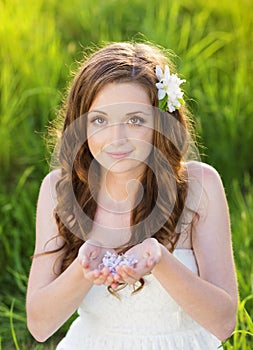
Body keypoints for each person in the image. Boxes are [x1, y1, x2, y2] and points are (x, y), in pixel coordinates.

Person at [26, 42, 238, 349]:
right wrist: (82, 270)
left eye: (135, 120)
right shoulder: (59, 190)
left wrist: (161, 261)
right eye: (99, 120)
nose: (117, 139)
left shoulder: (199, 186)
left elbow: (223, 324)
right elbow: (40, 326)